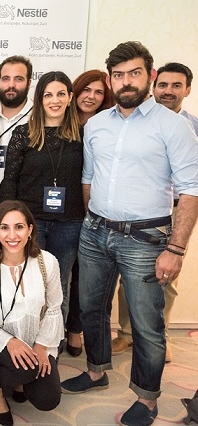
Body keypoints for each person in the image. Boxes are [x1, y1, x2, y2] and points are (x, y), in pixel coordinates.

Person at [61, 41, 198, 426]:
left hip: (146, 238)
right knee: (91, 308)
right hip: (95, 232)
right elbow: (88, 177)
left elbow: (191, 189)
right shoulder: (97, 124)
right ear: (110, 80)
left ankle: (147, 399)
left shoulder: (173, 126)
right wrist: (91, 220)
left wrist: (176, 249)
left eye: (134, 73)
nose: (126, 82)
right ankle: (96, 372)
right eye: (118, 75)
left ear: (149, 76)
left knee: (145, 324)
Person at [112, 62, 198, 362]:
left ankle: (160, 335)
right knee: (128, 274)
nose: (168, 91)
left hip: (175, 210)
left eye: (176, 86)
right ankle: (126, 333)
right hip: (139, 210)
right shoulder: (133, 121)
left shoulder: (191, 127)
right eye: (163, 85)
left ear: (188, 90)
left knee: (166, 276)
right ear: (153, 85)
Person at [0, 71, 84, 337]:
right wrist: (5, 223)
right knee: (28, 282)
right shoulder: (24, 134)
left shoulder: (83, 136)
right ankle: (26, 338)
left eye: (60, 94)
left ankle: (52, 341)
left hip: (69, 223)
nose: (54, 100)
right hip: (31, 223)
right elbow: (10, 180)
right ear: (40, 99)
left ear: (70, 97)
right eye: (48, 95)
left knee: (60, 283)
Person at [0, 200, 63, 426]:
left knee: (47, 399)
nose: (12, 235)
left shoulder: (47, 262)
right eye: (4, 228)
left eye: (19, 227)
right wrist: (10, 342)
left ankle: (19, 378)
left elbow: (54, 308)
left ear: (30, 230)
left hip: (36, 338)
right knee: (27, 369)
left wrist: (41, 346)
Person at [63, 68, 115, 357]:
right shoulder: (61, 120)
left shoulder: (109, 126)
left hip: (96, 210)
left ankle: (75, 328)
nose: (91, 97)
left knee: (83, 277)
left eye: (98, 92)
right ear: (76, 91)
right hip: (63, 209)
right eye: (86, 90)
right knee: (60, 274)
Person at [0, 55, 33, 224]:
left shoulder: (40, 118)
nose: (11, 85)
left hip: (19, 214)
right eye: (6, 79)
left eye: (18, 79)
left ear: (29, 83)